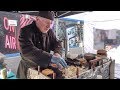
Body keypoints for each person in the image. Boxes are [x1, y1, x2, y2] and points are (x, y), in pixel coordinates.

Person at [17, 11, 68, 79]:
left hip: (44, 67)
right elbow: (27, 50)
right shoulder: (25, 31)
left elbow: (57, 43)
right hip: (29, 68)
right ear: (37, 19)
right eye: (47, 22)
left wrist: (57, 54)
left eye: (51, 23)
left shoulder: (49, 32)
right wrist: (50, 58)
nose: (49, 26)